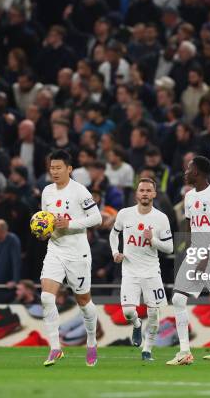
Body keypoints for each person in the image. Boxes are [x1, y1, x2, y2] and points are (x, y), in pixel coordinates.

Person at [39, 150, 102, 367]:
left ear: (69, 169)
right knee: (47, 298)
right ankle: (55, 348)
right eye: (52, 168)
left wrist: (70, 223)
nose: (54, 172)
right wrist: (43, 231)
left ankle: (92, 342)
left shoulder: (79, 191)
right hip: (55, 250)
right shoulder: (47, 192)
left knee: (84, 302)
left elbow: (97, 218)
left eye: (58, 168)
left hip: (77, 253)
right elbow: (45, 220)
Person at [166, 156, 210, 366]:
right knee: (177, 299)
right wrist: (186, 249)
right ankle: (185, 352)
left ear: (199, 172)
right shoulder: (189, 196)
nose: (185, 172)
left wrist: (206, 257)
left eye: (189, 169)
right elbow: (190, 225)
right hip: (195, 254)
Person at [109, 178, 173, 361]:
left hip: (152, 272)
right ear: (137, 194)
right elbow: (114, 234)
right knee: (128, 312)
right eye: (142, 190)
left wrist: (153, 240)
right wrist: (115, 252)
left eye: (148, 190)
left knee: (154, 313)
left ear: (154, 194)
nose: (145, 193)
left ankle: (147, 350)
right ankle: (137, 325)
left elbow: (169, 248)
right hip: (129, 271)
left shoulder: (161, 218)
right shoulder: (124, 214)